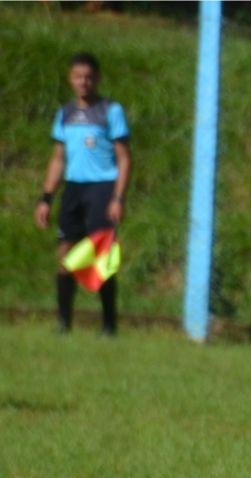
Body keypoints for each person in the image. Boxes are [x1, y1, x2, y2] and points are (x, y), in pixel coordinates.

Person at [34, 51, 130, 336]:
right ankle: (64, 323)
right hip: (74, 188)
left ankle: (109, 325)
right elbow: (58, 159)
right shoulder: (64, 114)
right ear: (70, 79)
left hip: (102, 188)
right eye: (78, 77)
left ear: (97, 79)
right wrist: (46, 197)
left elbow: (124, 157)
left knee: (102, 257)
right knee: (65, 253)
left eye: (89, 77)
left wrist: (118, 197)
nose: (84, 82)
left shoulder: (111, 111)